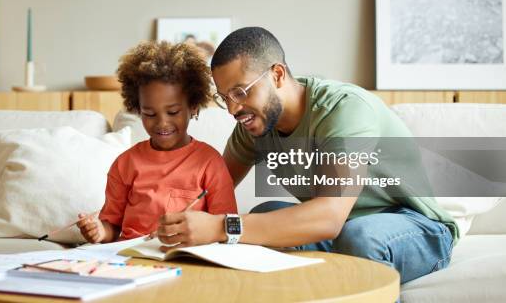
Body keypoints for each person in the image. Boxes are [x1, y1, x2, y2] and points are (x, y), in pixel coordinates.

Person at [156, 27, 457, 283]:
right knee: (265, 214)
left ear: (276, 75)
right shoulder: (253, 126)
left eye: (240, 92)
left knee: (361, 236)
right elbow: (207, 193)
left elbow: (328, 216)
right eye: (225, 98)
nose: (234, 109)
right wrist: (166, 225)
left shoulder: (343, 109)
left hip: (415, 227)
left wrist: (222, 227)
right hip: (342, 231)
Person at [77, 41, 237, 242]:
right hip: (131, 257)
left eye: (173, 112)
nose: (162, 123)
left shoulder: (210, 162)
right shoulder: (125, 163)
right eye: (149, 114)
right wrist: (99, 231)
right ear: (138, 109)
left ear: (193, 107)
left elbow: (225, 224)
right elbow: (112, 226)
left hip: (186, 255)